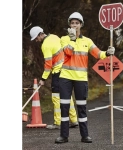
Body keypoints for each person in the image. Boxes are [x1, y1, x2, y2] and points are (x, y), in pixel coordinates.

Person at [55, 12, 115, 143]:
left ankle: (85, 135)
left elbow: (98, 54)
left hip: (81, 79)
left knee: (81, 107)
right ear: (69, 25)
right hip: (65, 78)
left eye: (77, 23)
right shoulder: (64, 39)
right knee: (64, 107)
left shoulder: (87, 41)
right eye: (72, 23)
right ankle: (64, 136)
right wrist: (71, 39)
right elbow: (68, 53)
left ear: (81, 25)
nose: (74, 25)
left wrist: (108, 52)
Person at [29, 26, 79, 129]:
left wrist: (43, 79)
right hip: (66, 70)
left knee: (56, 98)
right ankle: (74, 120)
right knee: (67, 96)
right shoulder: (55, 37)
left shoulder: (45, 46)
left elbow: (48, 65)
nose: (36, 41)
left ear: (40, 34)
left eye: (36, 38)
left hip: (58, 72)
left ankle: (58, 122)